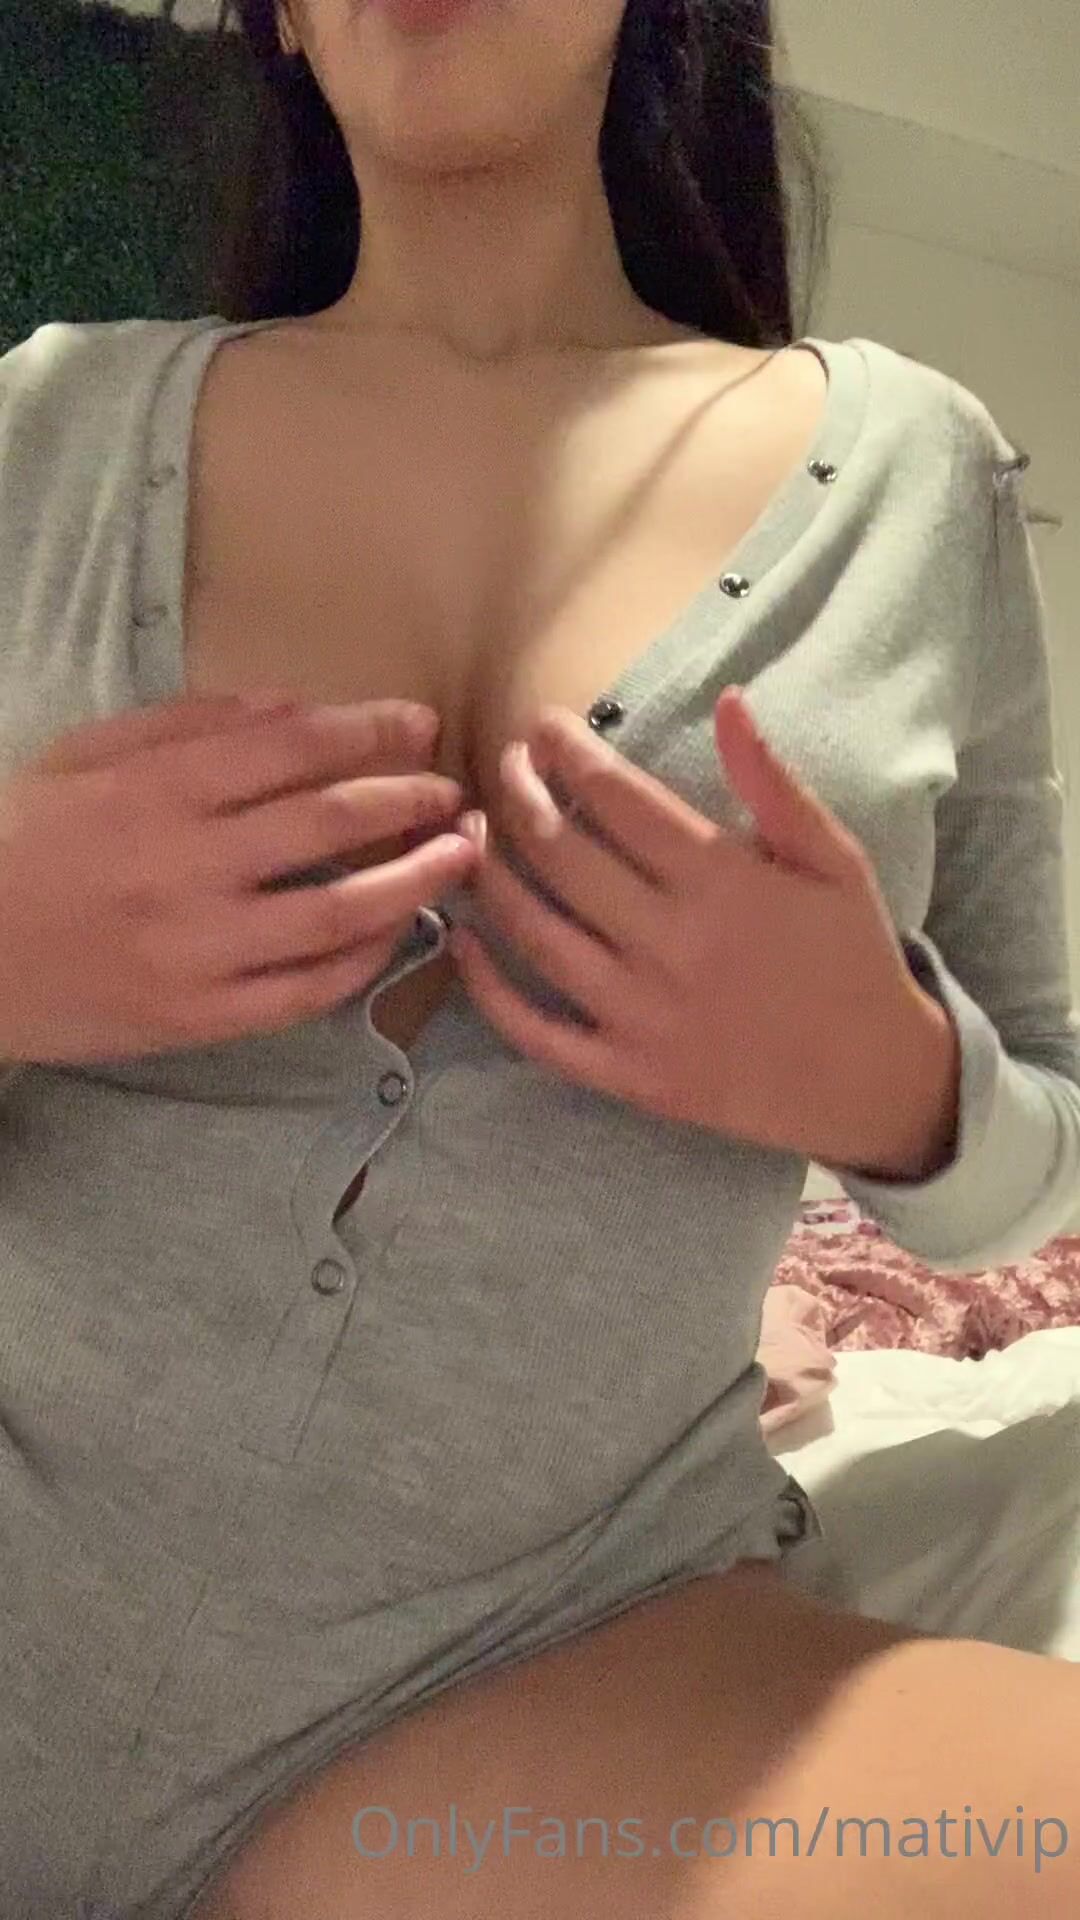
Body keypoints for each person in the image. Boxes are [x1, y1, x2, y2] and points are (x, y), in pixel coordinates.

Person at [0, 0, 1078, 1915]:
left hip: (536, 1671)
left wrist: (906, 1084)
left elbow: (1049, 1138)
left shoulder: (923, 472)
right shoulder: (49, 420)